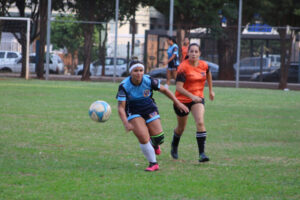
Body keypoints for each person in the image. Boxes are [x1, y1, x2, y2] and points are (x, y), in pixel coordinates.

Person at [117, 61, 189, 172]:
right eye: (136, 71)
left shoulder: (149, 80)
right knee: (143, 136)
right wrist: (125, 122)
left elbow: (165, 90)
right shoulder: (124, 86)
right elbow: (121, 107)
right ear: (130, 72)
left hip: (149, 108)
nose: (139, 73)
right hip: (133, 111)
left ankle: (154, 145)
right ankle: (153, 163)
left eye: (141, 70)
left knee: (159, 138)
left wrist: (177, 102)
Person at [171, 43, 215, 163]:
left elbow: (208, 74)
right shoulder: (183, 68)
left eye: (196, 51)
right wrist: (191, 96)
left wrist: (211, 90)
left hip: (198, 99)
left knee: (200, 122)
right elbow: (179, 87)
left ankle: (202, 154)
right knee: (181, 128)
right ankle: (174, 145)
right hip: (182, 101)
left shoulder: (204, 65)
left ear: (199, 53)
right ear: (188, 53)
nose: (194, 54)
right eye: (191, 51)